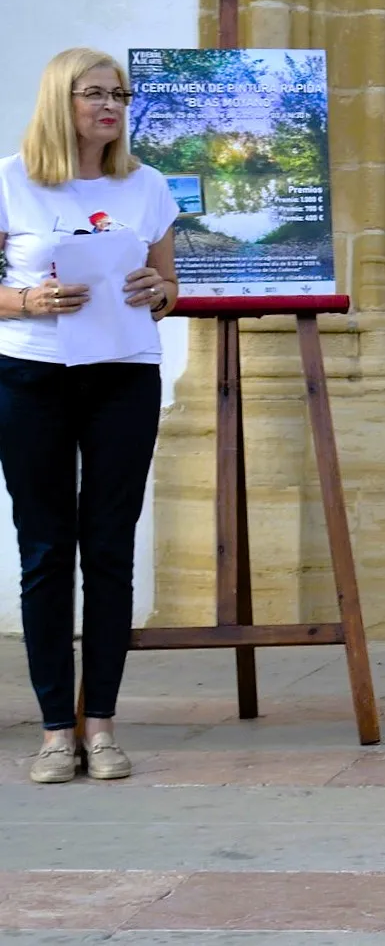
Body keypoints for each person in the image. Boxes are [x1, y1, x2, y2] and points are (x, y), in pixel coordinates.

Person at [1, 49, 180, 783]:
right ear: (60, 99)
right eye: (96, 93)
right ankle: (53, 730)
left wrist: (155, 287)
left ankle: (99, 724)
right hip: (31, 373)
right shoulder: (12, 179)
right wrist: (24, 301)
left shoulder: (146, 185)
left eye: (120, 94)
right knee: (46, 549)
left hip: (123, 374)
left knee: (108, 547)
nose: (112, 105)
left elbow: (170, 284)